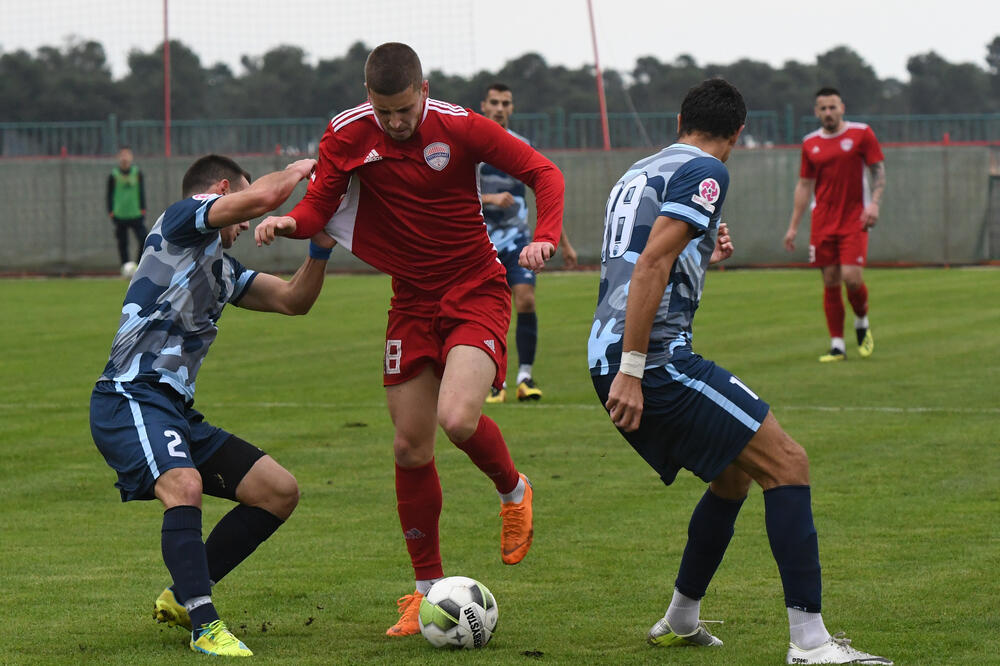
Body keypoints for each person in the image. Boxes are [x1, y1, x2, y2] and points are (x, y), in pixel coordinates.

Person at [254, 42, 564, 638]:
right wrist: (291, 221)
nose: (396, 123)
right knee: (409, 449)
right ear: (369, 97)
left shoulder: (460, 127)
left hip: (475, 288)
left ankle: (513, 490)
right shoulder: (348, 133)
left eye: (404, 110)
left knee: (458, 418)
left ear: (423, 89)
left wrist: (545, 234)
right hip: (411, 302)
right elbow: (321, 203)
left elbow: (543, 172)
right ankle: (424, 594)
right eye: (384, 111)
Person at [589, 78, 892, 665]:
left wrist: (701, 251)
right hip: (651, 359)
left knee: (732, 478)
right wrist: (633, 368)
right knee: (787, 462)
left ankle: (680, 619)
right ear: (739, 132)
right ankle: (811, 643)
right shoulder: (709, 170)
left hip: (612, 351)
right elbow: (651, 259)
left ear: (680, 119)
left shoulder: (639, 171)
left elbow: (638, 255)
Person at [90, 154, 332, 657]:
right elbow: (264, 198)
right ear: (219, 192)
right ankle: (204, 624)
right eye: (238, 210)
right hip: (129, 395)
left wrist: (321, 246)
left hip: (174, 410)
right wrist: (306, 167)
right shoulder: (181, 219)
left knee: (278, 492)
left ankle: (182, 596)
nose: (245, 225)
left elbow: (294, 300)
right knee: (184, 483)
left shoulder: (223, 269)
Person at [478, 82, 578, 403]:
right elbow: (451, 195)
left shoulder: (521, 146)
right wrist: (490, 197)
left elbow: (543, 191)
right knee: (487, 310)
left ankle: (525, 378)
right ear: (484, 106)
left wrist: (561, 241)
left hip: (517, 241)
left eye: (505, 103)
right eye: (494, 102)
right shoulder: (470, 145)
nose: (499, 108)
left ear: (511, 108)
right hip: (479, 242)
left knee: (526, 301)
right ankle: (495, 381)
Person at [784, 87, 886, 362]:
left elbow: (878, 169)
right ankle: (837, 345)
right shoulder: (810, 143)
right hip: (823, 221)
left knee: (852, 278)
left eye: (833, 107)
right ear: (816, 112)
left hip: (855, 218)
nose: (828, 113)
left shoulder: (861, 134)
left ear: (842, 107)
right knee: (830, 280)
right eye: (823, 108)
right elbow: (804, 185)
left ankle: (862, 320)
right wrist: (794, 226)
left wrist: (874, 203)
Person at [106, 146, 148, 277]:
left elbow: (141, 192)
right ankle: (125, 269)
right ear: (118, 158)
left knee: (144, 238)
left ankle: (138, 266)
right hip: (120, 214)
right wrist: (111, 211)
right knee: (123, 243)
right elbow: (109, 194)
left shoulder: (137, 173)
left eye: (127, 155)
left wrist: (143, 209)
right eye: (122, 155)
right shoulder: (114, 175)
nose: (125, 158)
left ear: (131, 157)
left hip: (135, 213)